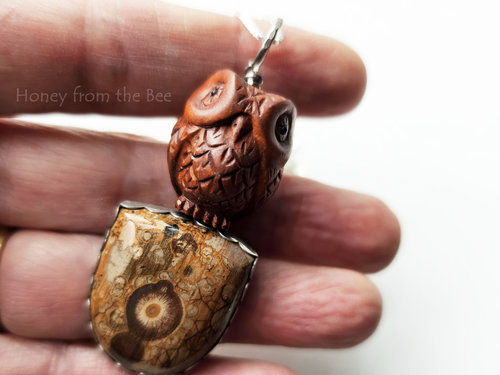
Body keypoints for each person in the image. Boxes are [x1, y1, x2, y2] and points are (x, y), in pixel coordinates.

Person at [0, 1, 400, 374]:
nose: (239, 126)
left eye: (269, 124)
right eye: (223, 105)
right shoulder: (185, 145)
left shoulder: (227, 242)